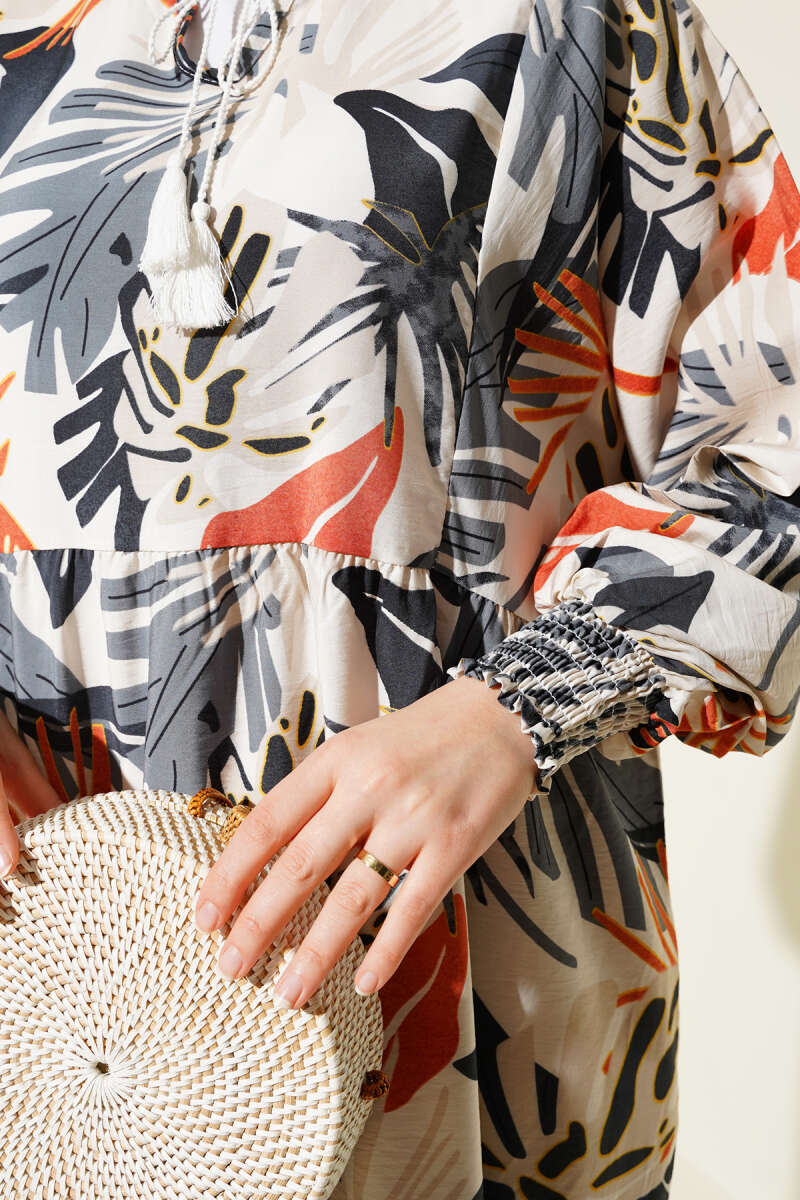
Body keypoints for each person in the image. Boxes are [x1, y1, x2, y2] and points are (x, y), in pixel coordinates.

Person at [0, 0, 798, 1196]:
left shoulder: (572, 24)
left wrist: (515, 706)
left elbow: (773, 454)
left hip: (460, 944)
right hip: (48, 995)